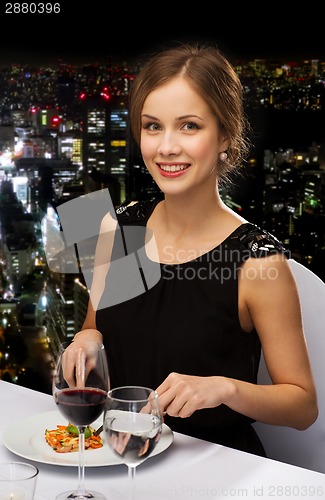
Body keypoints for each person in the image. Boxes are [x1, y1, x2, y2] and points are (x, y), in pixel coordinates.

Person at [63, 42, 318, 456]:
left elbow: (303, 405)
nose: (166, 147)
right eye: (152, 126)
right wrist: (86, 339)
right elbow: (97, 324)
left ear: (225, 136)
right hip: (119, 455)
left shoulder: (257, 260)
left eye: (189, 126)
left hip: (214, 466)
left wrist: (224, 388)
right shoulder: (119, 227)